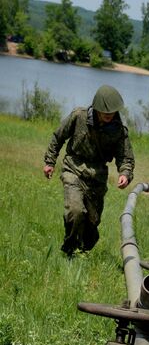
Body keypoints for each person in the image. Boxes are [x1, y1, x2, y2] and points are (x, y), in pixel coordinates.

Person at [43, 85, 135, 257]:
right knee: (75, 211)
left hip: (97, 177)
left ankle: (84, 247)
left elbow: (126, 157)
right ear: (97, 107)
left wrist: (125, 173)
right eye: (105, 112)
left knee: (92, 222)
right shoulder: (79, 116)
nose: (109, 116)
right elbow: (58, 137)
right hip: (73, 168)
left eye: (112, 113)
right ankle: (69, 250)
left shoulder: (119, 130)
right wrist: (50, 161)